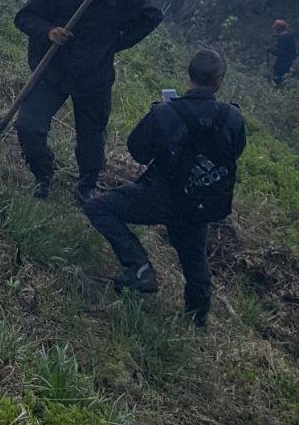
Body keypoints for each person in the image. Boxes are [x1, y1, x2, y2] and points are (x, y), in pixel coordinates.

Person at [84, 48, 246, 329]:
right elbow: (236, 151)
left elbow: (137, 151)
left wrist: (160, 118)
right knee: (195, 259)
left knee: (98, 207)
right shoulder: (233, 117)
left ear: (189, 73)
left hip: (158, 197)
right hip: (199, 201)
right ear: (218, 81)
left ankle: (139, 267)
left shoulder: (165, 113)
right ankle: (198, 320)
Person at [14, 0, 163, 203]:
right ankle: (43, 174)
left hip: (94, 78)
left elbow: (151, 16)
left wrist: (116, 42)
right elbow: (24, 17)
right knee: (28, 125)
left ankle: (86, 185)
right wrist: (49, 32)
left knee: (92, 139)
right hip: (53, 72)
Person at [269, 19, 296, 89]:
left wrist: (270, 50)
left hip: (282, 62)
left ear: (278, 29)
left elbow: (280, 52)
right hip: (289, 60)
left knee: (278, 78)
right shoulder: (289, 36)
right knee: (286, 78)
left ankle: (279, 90)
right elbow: (293, 50)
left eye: (275, 28)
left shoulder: (282, 39)